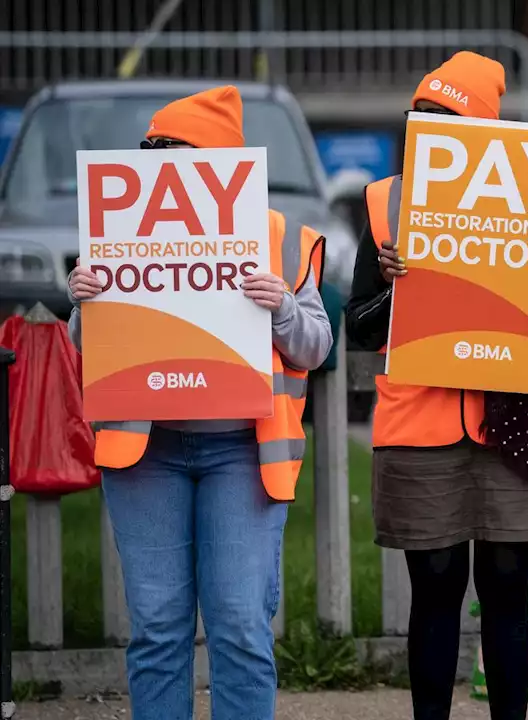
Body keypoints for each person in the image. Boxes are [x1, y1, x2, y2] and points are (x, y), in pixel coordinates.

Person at [343, 51, 528, 720]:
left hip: (516, 425)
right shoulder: (385, 201)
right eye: (420, 113)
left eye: (444, 115)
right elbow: (364, 331)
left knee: (508, 589)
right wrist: (392, 282)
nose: (426, 125)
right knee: (434, 592)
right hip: (420, 427)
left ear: (484, 130)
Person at [66, 85, 332, 720]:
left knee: (240, 624)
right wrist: (83, 305)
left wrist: (282, 307)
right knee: (158, 628)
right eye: (149, 149)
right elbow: (90, 350)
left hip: (244, 451)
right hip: (146, 449)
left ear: (217, 163)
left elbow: (316, 347)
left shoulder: (284, 238)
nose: (155, 162)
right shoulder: (120, 225)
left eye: (171, 150)